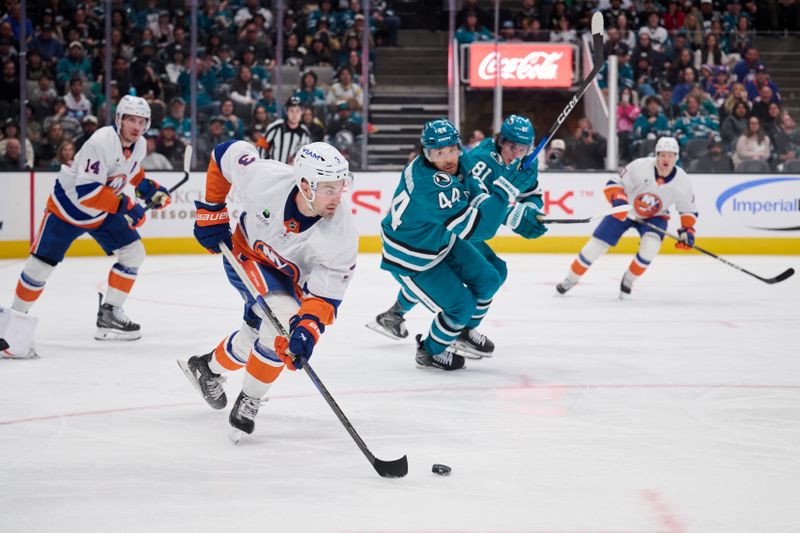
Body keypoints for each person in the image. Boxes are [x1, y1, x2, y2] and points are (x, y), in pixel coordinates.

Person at [180, 141, 357, 440]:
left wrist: (309, 328)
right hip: (247, 257)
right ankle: (250, 398)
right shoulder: (265, 179)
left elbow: (325, 297)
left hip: (291, 281)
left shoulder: (341, 235)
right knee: (281, 326)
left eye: (341, 187)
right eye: (328, 188)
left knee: (257, 336)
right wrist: (212, 208)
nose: (337, 197)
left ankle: (206, 367)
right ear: (304, 185)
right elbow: (224, 153)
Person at [367, 115, 547, 358]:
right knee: (461, 306)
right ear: (427, 154)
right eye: (439, 153)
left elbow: (476, 197)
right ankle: (430, 352)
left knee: (490, 279)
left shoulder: (457, 165)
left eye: (452, 150)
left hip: (440, 238)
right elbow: (478, 229)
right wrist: (506, 195)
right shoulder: (432, 184)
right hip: (412, 257)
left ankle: (458, 331)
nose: (448, 158)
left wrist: (515, 211)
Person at [8, 95, 171, 356]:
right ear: (118, 119)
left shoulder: (138, 145)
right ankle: (11, 325)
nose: (137, 126)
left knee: (134, 252)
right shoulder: (101, 142)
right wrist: (128, 207)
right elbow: (87, 192)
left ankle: (109, 316)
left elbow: (130, 170)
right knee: (39, 267)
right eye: (131, 119)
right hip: (67, 210)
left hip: (100, 212)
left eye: (142, 121)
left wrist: (147, 188)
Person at [555, 137, 698, 299]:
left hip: (656, 217)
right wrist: (618, 199)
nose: (666, 159)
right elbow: (613, 183)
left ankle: (629, 279)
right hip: (625, 209)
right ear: (656, 155)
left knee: (650, 248)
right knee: (595, 246)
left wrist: (688, 230)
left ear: (676, 157)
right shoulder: (639, 166)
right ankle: (570, 279)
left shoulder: (683, 181)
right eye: (663, 155)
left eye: (671, 155)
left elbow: (688, 209)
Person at [258, 96, 311, 163]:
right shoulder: (275, 127)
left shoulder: (305, 133)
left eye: (297, 111)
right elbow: (260, 145)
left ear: (302, 112)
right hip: (272, 170)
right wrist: (262, 164)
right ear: (286, 111)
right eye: (291, 110)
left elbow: (307, 157)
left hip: (292, 172)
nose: (294, 114)